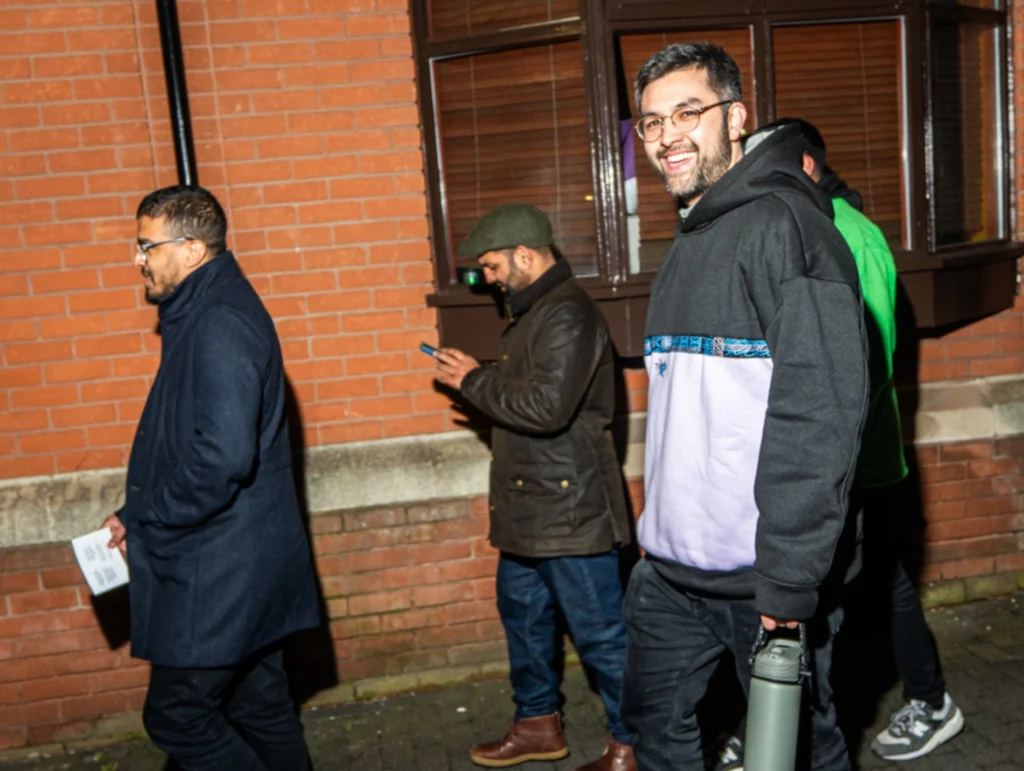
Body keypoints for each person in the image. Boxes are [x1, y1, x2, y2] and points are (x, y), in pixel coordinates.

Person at [619, 43, 869, 771]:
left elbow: (818, 415)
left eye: (687, 113)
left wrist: (788, 581)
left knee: (796, 751)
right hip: (669, 572)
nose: (667, 135)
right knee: (653, 733)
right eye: (652, 122)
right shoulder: (691, 234)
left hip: (758, 578)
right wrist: (655, 538)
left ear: (735, 118)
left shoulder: (786, 228)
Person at [761, 118, 962, 762]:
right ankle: (790, 721)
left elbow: (865, 365)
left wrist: (818, 451)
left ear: (806, 166)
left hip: (855, 463)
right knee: (872, 582)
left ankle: (920, 702)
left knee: (851, 589)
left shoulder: (849, 234)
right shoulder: (806, 226)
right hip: (840, 460)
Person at [103, 185, 320, 771]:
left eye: (147, 245)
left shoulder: (219, 322)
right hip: (240, 561)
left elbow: (222, 459)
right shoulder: (203, 311)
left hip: (220, 570)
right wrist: (132, 514)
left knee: (178, 718)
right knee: (260, 704)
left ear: (192, 250)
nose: (138, 258)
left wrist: (150, 516)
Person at [433, 204, 636, 771]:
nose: (487, 278)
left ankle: (636, 744)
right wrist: (481, 378)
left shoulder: (567, 313)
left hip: (569, 510)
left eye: (492, 266)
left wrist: (473, 380)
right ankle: (537, 725)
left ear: (524, 255)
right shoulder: (535, 312)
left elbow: (547, 408)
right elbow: (532, 391)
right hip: (532, 507)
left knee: (601, 636)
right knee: (523, 620)